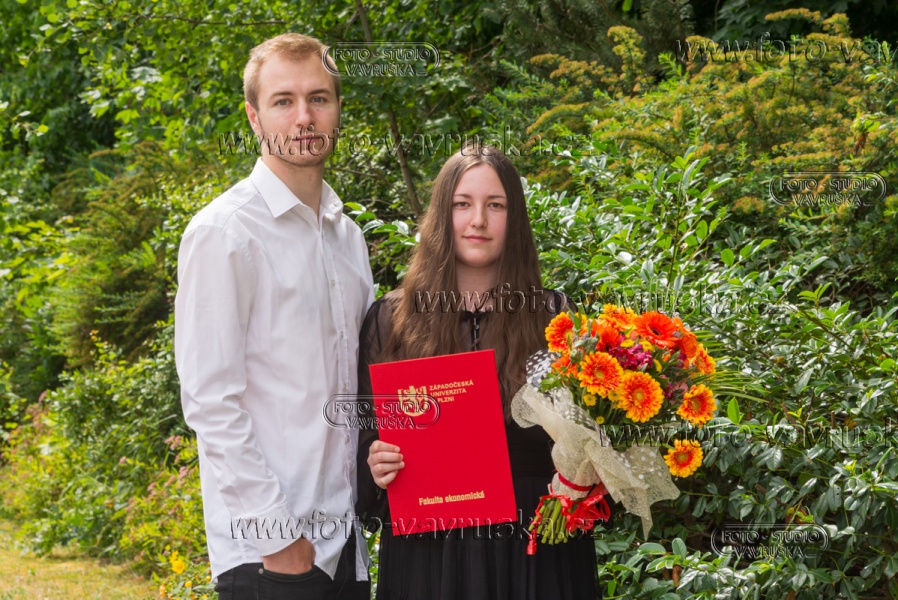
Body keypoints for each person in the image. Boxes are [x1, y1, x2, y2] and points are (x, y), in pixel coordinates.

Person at [175, 33, 373, 599]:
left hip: (345, 548)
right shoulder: (225, 232)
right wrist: (279, 538)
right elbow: (211, 401)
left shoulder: (348, 237)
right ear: (254, 117)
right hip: (269, 557)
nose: (304, 117)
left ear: (337, 109)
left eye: (319, 98)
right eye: (283, 101)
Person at [356, 144, 602, 599]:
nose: (478, 221)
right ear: (440, 214)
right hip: (429, 547)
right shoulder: (392, 319)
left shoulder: (554, 317)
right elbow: (367, 436)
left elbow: (587, 441)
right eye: (462, 204)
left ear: (515, 218)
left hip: (535, 544)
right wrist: (377, 460)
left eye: (496, 205)